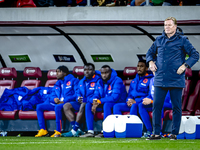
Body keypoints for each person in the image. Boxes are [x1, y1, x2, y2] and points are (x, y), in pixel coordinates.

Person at [146, 17, 199, 140]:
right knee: (157, 106)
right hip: (160, 78)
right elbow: (149, 53)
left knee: (176, 107)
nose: (167, 27)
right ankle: (156, 133)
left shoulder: (183, 40)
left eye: (169, 25)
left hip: (176, 79)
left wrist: (185, 65)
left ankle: (174, 133)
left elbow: (195, 55)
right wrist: (150, 62)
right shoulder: (159, 40)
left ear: (175, 26)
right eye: (165, 25)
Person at [80, 65, 127, 138]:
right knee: (88, 104)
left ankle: (105, 130)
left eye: (106, 73)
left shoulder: (117, 80)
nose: (104, 75)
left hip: (118, 102)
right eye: (102, 73)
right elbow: (96, 93)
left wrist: (99, 101)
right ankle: (90, 131)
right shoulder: (99, 81)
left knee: (106, 104)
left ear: (110, 72)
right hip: (104, 102)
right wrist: (95, 100)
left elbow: (115, 97)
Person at [35, 65, 79, 137]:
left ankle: (58, 131)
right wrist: (54, 99)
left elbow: (77, 94)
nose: (56, 74)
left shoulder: (74, 81)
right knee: (39, 106)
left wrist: (65, 100)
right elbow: (52, 94)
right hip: (57, 103)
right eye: (56, 72)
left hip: (67, 103)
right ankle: (43, 130)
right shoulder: (57, 83)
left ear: (64, 73)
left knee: (57, 107)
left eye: (58, 72)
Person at [61, 63, 101, 137]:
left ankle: (74, 131)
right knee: (66, 106)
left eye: (89, 70)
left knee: (84, 104)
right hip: (82, 102)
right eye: (85, 70)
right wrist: (78, 98)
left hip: (92, 102)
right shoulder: (81, 81)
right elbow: (77, 92)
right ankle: (76, 128)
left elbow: (97, 94)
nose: (87, 71)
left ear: (93, 71)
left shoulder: (98, 81)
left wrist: (86, 99)